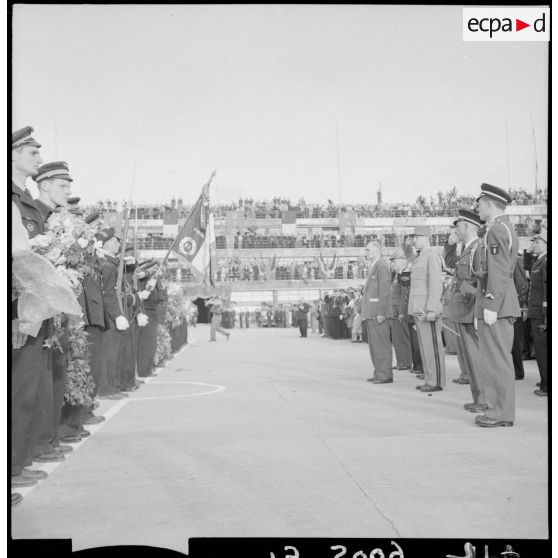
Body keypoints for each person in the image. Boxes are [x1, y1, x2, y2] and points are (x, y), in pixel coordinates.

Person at [11, 126, 54, 497]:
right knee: (19, 384)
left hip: (32, 300)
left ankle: (18, 462)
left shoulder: (22, 198)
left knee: (28, 383)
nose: (37, 159)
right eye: (31, 153)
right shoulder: (11, 197)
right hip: (16, 301)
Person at [472, 183, 520, 427]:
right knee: (495, 359)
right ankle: (499, 409)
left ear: (490, 204)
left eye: (479, 204)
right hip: (500, 301)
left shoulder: (497, 230)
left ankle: (500, 412)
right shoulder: (499, 228)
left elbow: (500, 271)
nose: (477, 208)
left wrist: (490, 304)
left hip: (497, 304)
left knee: (497, 360)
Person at [449, 209, 487, 413]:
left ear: (467, 226)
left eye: (458, 225)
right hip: (463, 310)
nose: (456, 229)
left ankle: (484, 398)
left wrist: (466, 291)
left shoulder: (478, 249)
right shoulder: (467, 248)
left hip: (470, 310)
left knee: (476, 357)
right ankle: (478, 397)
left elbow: (481, 283)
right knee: (469, 358)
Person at [407, 225, 446, 392]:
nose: (413, 241)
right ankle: (429, 378)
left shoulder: (432, 255)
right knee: (425, 347)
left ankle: (436, 381)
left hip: (427, 310)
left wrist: (432, 308)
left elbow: (435, 283)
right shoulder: (421, 256)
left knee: (433, 347)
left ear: (425, 238)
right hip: (419, 309)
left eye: (416, 237)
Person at [361, 242, 393, 384]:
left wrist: (381, 312)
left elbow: (385, 291)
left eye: (368, 250)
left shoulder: (381, 266)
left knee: (381, 345)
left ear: (376, 251)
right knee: (374, 346)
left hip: (378, 313)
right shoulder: (374, 266)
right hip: (371, 313)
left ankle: (385, 374)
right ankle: (379, 372)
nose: (365, 252)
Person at [526, 229, 547, 397]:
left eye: (538, 242)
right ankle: (544, 379)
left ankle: (547, 385)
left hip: (541, 312)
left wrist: (546, 313)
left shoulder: (547, 261)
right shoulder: (539, 260)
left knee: (542, 350)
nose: (535, 244)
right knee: (540, 349)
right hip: (536, 310)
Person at [388, 252, 412, 370]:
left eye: (395, 261)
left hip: (400, 311)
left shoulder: (404, 275)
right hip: (394, 311)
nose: (393, 263)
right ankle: (400, 361)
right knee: (397, 339)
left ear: (403, 261)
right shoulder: (396, 275)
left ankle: (406, 362)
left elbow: (404, 295)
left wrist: (402, 311)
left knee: (403, 337)